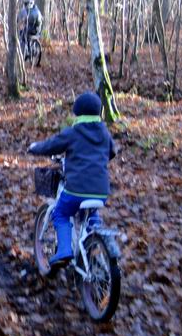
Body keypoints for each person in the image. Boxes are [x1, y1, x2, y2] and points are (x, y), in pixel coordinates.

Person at [27, 92, 116, 268]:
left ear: (78, 114)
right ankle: (94, 240)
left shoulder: (73, 133)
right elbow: (112, 152)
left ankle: (64, 250)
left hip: (76, 188)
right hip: (101, 189)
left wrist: (35, 148)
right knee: (91, 212)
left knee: (60, 213)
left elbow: (51, 145)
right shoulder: (104, 133)